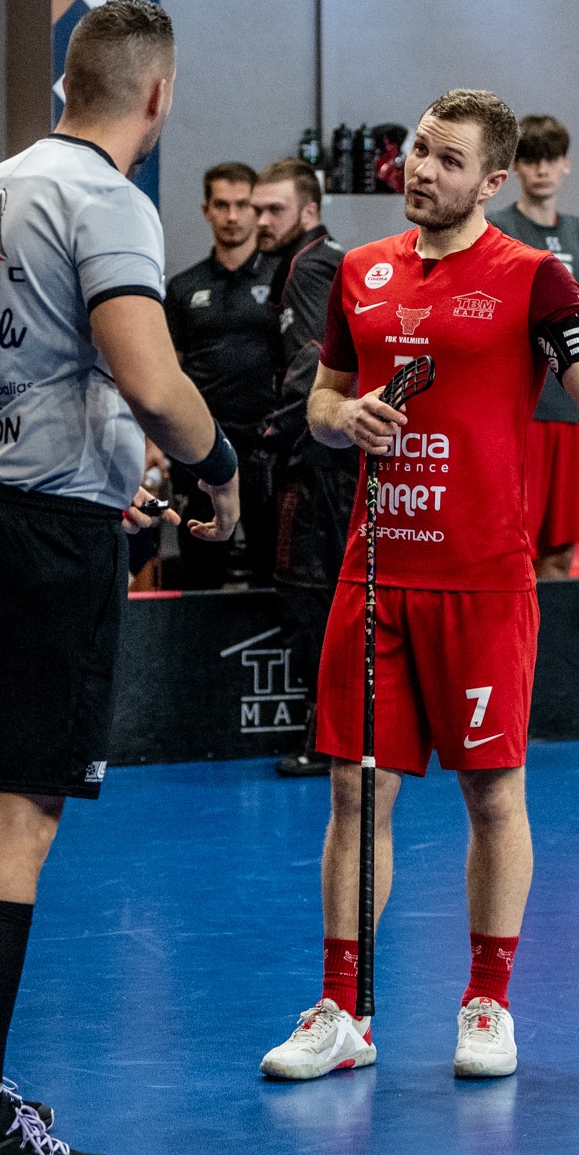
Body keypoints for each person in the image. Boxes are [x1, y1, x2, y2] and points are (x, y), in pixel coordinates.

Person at [0, 0, 238, 1155]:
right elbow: (152, 377)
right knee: (19, 822)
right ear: (157, 93)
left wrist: (90, 442)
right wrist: (216, 469)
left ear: (66, 84)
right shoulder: (108, 202)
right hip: (47, 541)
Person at [258, 89, 579, 1083]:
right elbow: (321, 400)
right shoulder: (359, 270)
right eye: (419, 152)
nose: (422, 171)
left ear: (492, 181)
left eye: (447, 159)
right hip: (375, 572)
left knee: (492, 794)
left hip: (482, 583)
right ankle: (344, 1010)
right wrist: (344, 417)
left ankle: (488, 999)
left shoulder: (534, 277)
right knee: (355, 791)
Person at [487, 114, 579, 579]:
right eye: (531, 159)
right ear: (515, 167)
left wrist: (558, 318)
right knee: (514, 552)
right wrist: (576, 312)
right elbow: (493, 314)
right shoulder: (497, 229)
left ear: (566, 163)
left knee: (560, 554)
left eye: (551, 159)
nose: (542, 169)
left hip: (573, 413)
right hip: (521, 414)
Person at [248, 157, 353, 777]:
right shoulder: (324, 260)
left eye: (275, 210)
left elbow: (314, 361)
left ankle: (328, 739)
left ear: (309, 212)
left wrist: (269, 439)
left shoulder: (310, 265)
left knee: (308, 595)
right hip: (332, 456)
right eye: (257, 208)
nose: (261, 220)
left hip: (318, 461)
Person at [164, 161, 281, 587]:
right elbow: (168, 370)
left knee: (274, 572)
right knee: (200, 570)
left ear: (257, 211)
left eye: (242, 205)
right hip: (202, 445)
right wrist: (155, 442)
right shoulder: (182, 287)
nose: (232, 216)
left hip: (269, 447)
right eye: (221, 205)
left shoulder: (285, 278)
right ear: (206, 210)